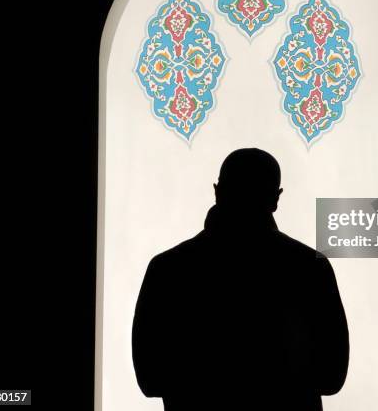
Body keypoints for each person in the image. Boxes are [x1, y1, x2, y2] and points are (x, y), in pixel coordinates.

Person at [132, 148, 349, 411]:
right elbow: (332, 377)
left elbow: (150, 380)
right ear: (276, 199)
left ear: (217, 191)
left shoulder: (167, 268)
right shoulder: (310, 268)